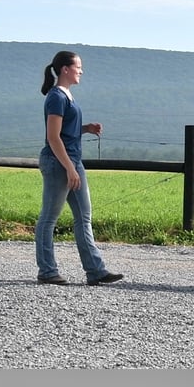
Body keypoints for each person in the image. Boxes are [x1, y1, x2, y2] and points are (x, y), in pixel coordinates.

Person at [34, 50, 123, 286]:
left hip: (72, 162)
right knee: (49, 218)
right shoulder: (56, 97)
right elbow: (53, 137)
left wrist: (85, 128)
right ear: (65, 69)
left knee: (84, 217)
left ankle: (95, 271)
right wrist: (70, 169)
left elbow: (65, 130)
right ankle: (47, 271)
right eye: (78, 67)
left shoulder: (67, 96)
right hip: (58, 163)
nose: (81, 71)